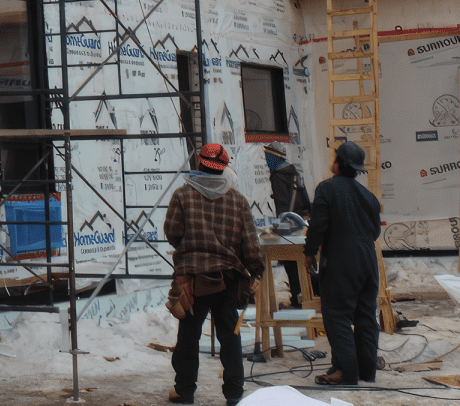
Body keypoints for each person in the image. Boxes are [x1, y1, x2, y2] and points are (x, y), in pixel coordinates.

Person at [163, 143, 263, 406]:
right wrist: (256, 271)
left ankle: (184, 392)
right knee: (230, 336)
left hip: (193, 279)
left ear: (200, 163)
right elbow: (250, 243)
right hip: (228, 278)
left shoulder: (182, 195)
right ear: (224, 167)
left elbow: (173, 233)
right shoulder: (237, 200)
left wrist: (192, 249)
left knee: (188, 336)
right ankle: (233, 394)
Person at [306, 141, 382, 386]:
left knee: (337, 316)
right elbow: (373, 232)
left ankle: (346, 373)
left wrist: (309, 253)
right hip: (368, 262)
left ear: (338, 163)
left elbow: (317, 227)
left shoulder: (327, 189)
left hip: (341, 262)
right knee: (365, 318)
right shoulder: (369, 196)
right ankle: (366, 372)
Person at [265, 141, 312, 307]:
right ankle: (305, 294)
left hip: (287, 223)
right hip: (299, 221)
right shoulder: (293, 171)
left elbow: (282, 205)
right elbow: (305, 199)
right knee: (301, 259)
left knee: (289, 260)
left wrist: (280, 227)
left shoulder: (278, 175)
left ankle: (297, 296)